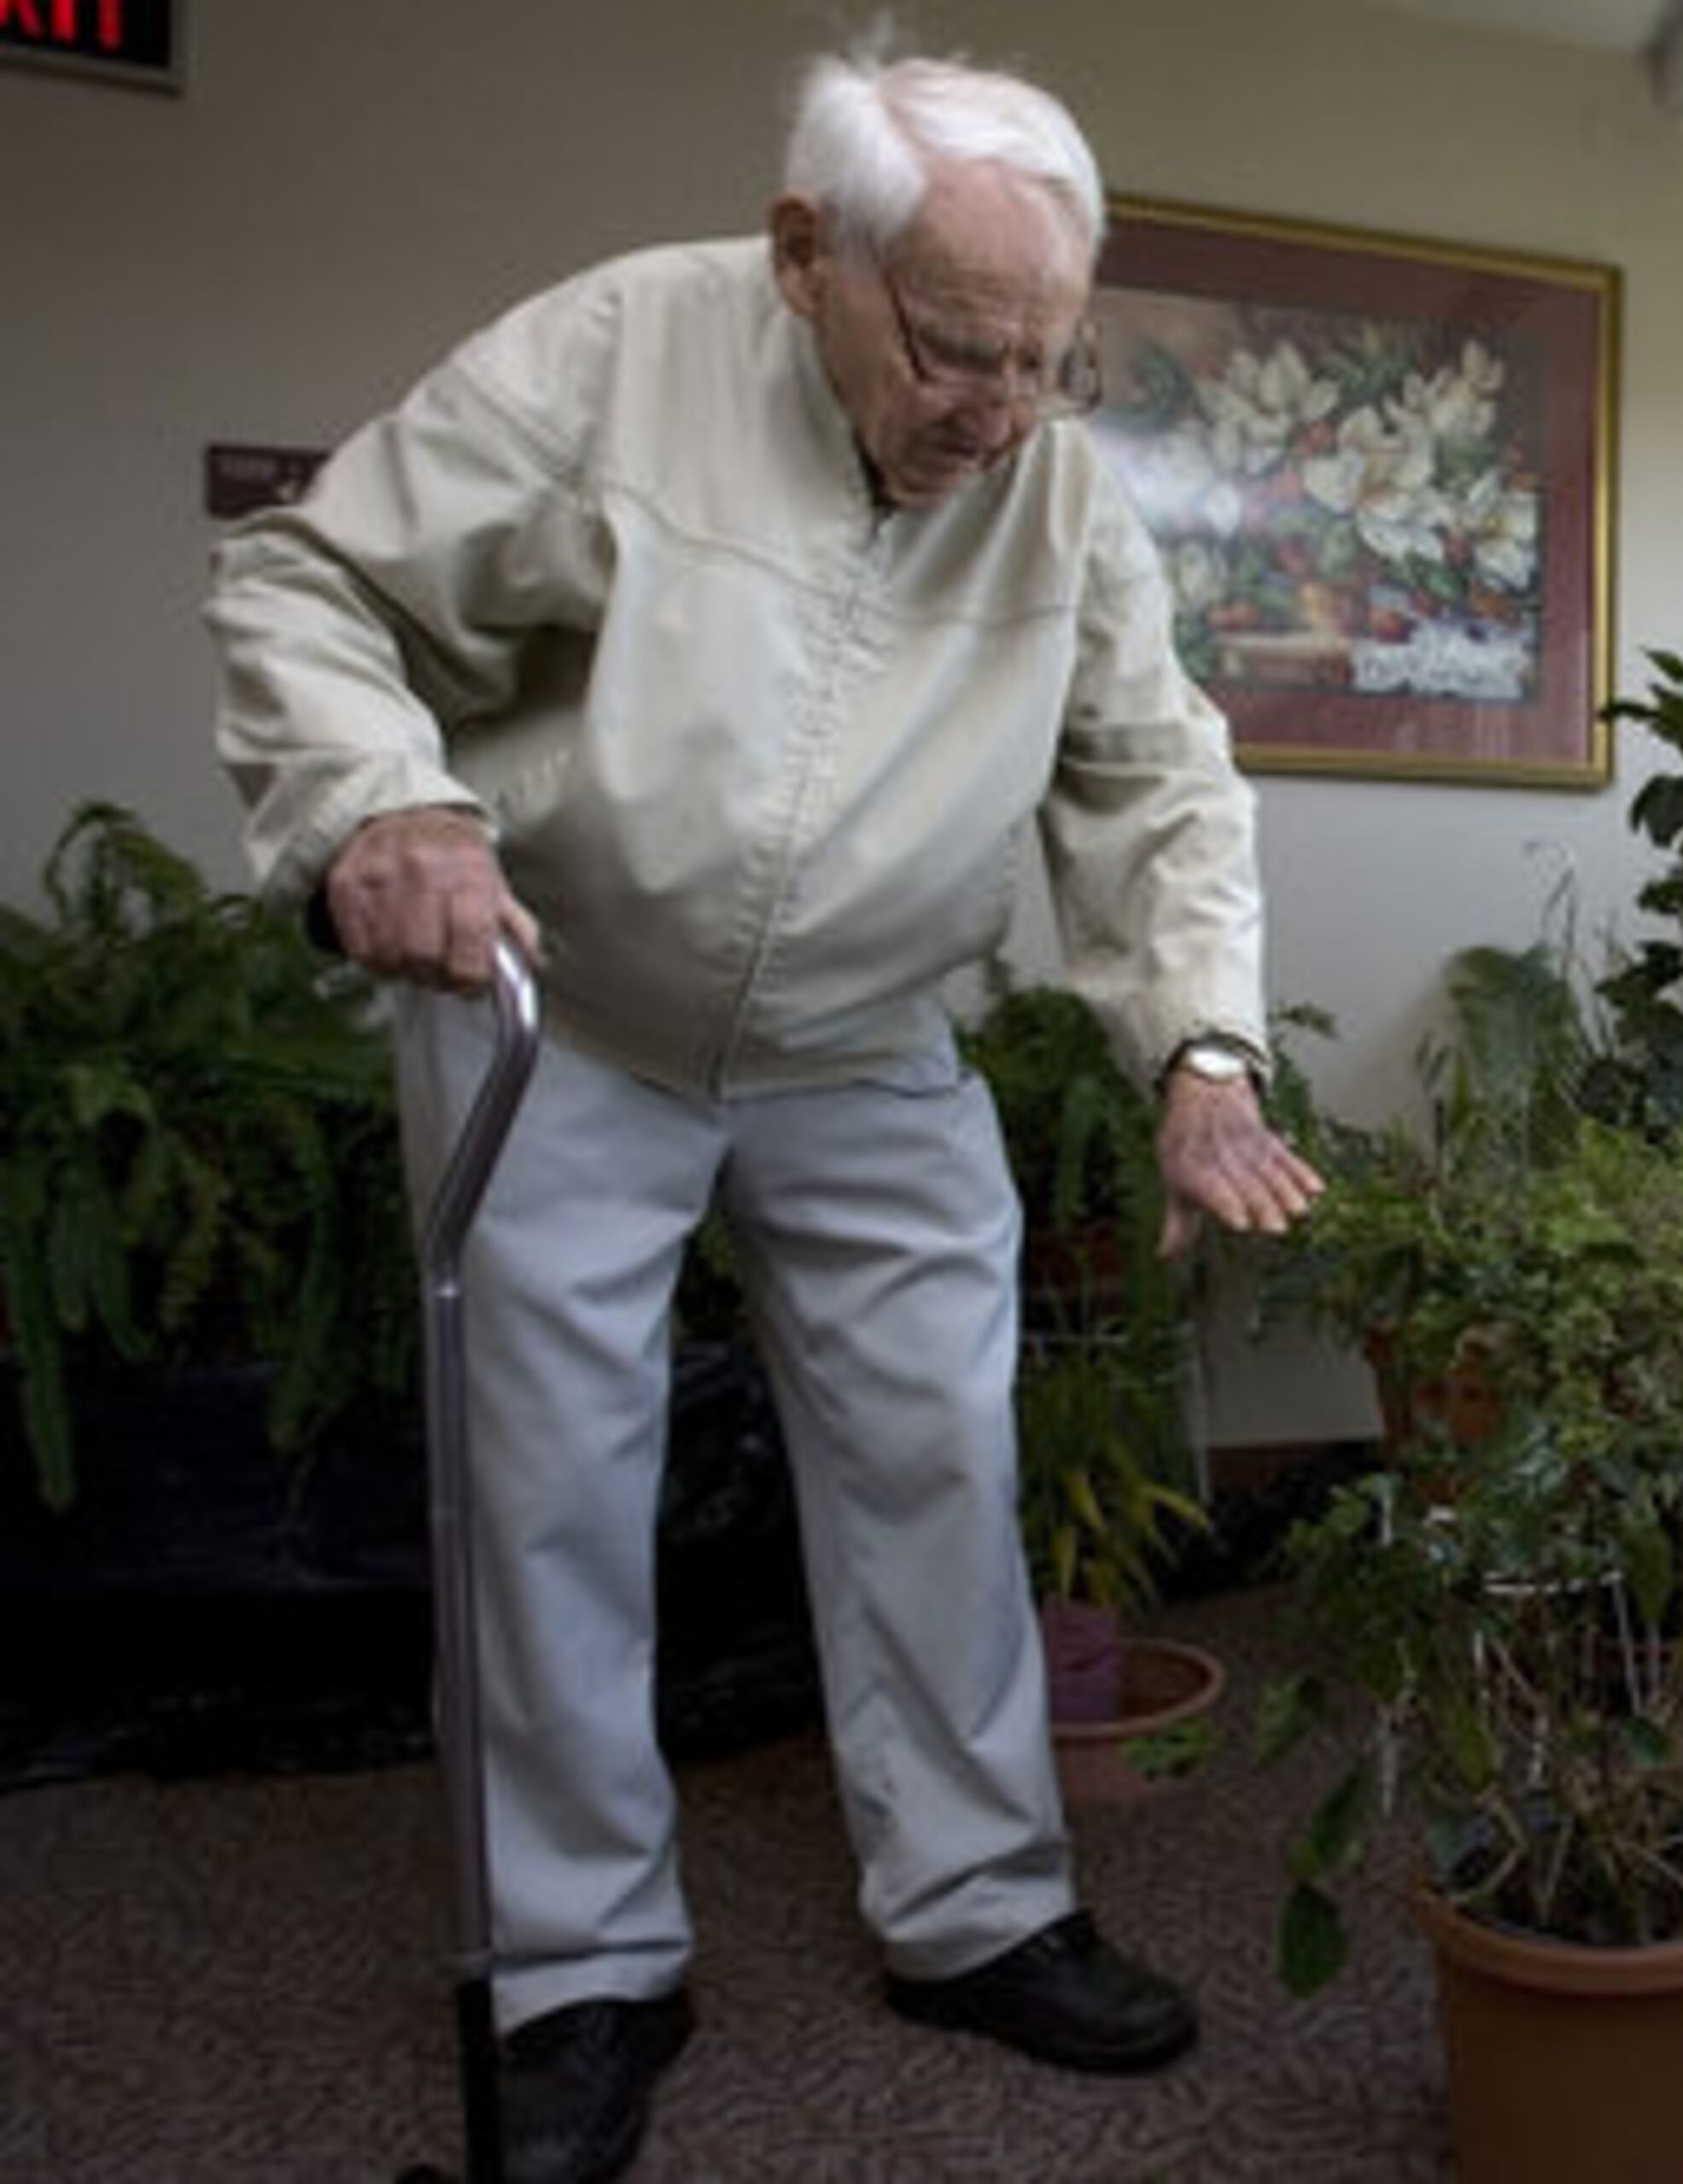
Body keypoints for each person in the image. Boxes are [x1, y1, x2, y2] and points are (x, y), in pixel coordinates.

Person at [208, 38, 1321, 2184]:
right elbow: (308, 580)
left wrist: (1201, 1048)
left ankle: (980, 1905)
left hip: (871, 1037)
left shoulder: (1054, 486)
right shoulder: (610, 359)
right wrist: (389, 803)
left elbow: (1153, 777)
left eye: (1046, 363)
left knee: (939, 1456)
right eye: (958, 349)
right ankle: (578, 1967)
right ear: (809, 255)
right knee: (545, 1493)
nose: (997, 410)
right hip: (569, 1011)